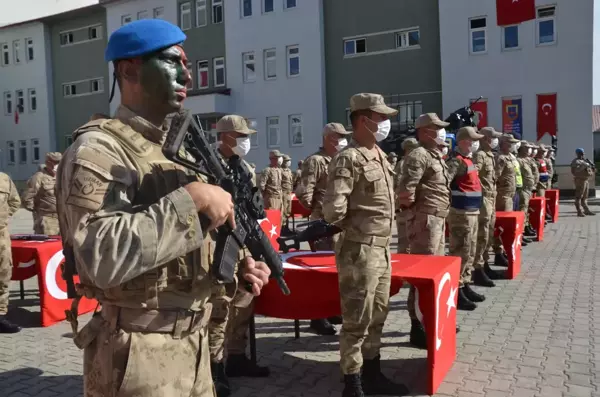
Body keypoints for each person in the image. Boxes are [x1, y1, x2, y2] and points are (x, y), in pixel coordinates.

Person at [54, 19, 270, 397]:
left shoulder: (182, 154)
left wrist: (239, 275)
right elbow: (98, 257)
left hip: (196, 350)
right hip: (137, 355)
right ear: (129, 69)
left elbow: (186, 261)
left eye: (187, 64)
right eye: (172, 61)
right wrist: (193, 200)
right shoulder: (98, 150)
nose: (186, 75)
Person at [324, 93, 408, 397]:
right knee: (357, 319)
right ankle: (353, 382)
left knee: (378, 314)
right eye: (381, 118)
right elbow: (333, 210)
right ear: (363, 120)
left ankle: (373, 374)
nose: (385, 124)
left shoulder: (380, 156)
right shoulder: (349, 157)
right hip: (359, 250)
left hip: (382, 248)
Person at [207, 115, 268, 397]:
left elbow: (254, 208)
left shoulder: (246, 167)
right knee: (219, 308)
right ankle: (215, 367)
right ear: (226, 137)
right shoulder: (206, 166)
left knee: (245, 300)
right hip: (217, 244)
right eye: (241, 136)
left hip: (242, 241)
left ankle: (237, 356)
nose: (246, 141)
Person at [397, 113, 451, 349]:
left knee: (433, 274)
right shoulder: (419, 155)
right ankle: (418, 327)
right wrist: (417, 217)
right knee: (423, 276)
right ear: (424, 131)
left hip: (436, 219)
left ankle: (429, 321)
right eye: (436, 128)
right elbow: (406, 192)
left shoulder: (434, 155)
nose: (440, 131)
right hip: (425, 221)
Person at [296, 122, 351, 336]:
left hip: (340, 223)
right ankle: (317, 317)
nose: (343, 140)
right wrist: (317, 212)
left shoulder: (340, 160)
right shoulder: (316, 161)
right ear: (329, 138)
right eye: (340, 136)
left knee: (337, 270)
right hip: (322, 225)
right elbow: (304, 191)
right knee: (321, 272)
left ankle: (331, 310)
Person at [446, 127, 486, 310]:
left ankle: (466, 283)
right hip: (461, 214)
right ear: (462, 141)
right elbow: (445, 183)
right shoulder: (456, 162)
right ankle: (457, 289)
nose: (474, 143)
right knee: (460, 251)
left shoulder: (468, 161)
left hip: (472, 212)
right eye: (471, 140)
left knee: (470, 251)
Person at [472, 126, 507, 288]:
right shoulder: (479, 155)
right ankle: (477, 269)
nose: (495, 141)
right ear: (485, 138)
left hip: (491, 199)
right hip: (483, 199)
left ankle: (484, 265)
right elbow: (473, 176)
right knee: (481, 235)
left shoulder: (489, 155)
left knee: (488, 234)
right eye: (493, 138)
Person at [0, 172, 22, 333]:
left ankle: (0, 315)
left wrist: (2, 218)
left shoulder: (4, 178)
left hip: (1, 235)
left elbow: (15, 202)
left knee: (3, 273)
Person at [21, 152, 62, 235]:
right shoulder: (39, 177)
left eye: (59, 162)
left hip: (63, 220)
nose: (58, 165)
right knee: (49, 246)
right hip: (48, 221)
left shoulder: (62, 176)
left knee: (62, 247)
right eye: (55, 162)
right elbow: (26, 198)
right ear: (47, 163)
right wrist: (38, 214)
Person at [493, 134, 521, 254]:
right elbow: (495, 177)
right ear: (503, 143)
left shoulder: (510, 157)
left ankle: (504, 249)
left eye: (512, 143)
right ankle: (499, 250)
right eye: (509, 143)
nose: (512, 145)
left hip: (511, 195)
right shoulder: (500, 158)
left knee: (507, 225)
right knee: (501, 225)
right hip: (502, 195)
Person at [394, 137, 419, 254]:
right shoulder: (405, 164)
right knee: (405, 243)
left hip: (407, 207)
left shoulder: (406, 163)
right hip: (404, 208)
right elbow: (400, 185)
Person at [517, 142, 537, 239]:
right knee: (522, 211)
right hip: (522, 189)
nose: (529, 150)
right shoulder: (518, 160)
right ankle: (521, 233)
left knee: (526, 210)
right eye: (526, 148)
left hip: (529, 189)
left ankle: (525, 228)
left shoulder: (527, 160)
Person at [571, 148, 595, 217]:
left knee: (585, 197)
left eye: (582, 154)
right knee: (579, 196)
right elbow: (575, 171)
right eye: (580, 154)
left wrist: (592, 170)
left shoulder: (584, 161)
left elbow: (589, 170)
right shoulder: (576, 161)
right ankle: (579, 211)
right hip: (580, 180)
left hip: (585, 180)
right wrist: (584, 165)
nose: (582, 155)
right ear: (577, 154)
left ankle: (586, 210)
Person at [281, 154, 294, 228]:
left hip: (289, 193)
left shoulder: (289, 170)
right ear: (284, 162)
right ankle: (283, 227)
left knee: (288, 211)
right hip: (284, 193)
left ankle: (287, 227)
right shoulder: (281, 171)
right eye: (288, 161)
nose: (289, 162)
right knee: (284, 211)